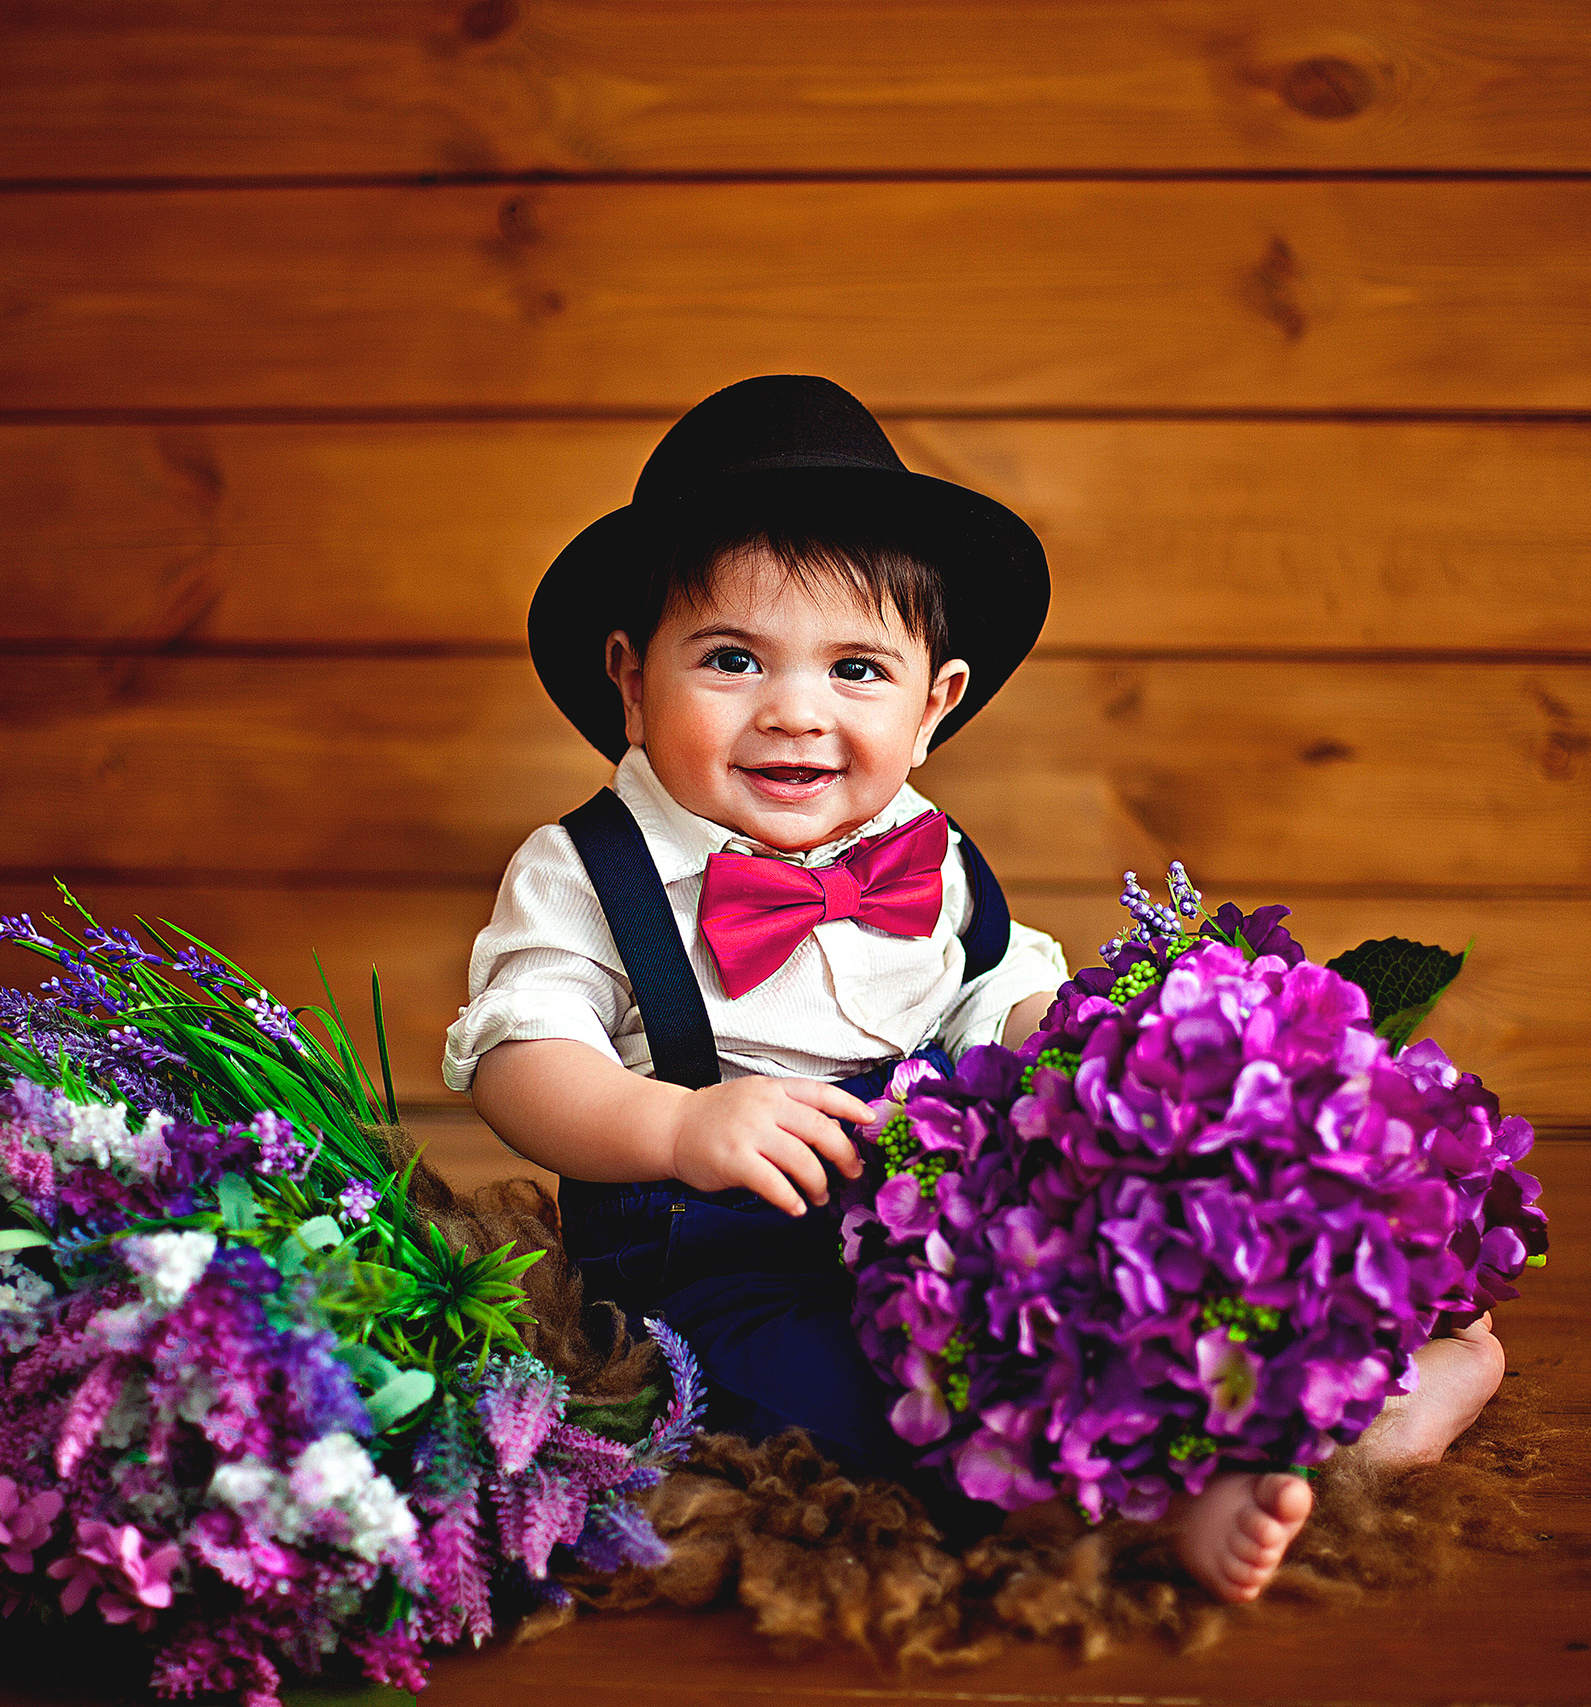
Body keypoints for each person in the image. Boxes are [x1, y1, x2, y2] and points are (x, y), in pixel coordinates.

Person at [443, 375, 1501, 1604]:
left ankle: (1337, 1402)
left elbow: (996, 994)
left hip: (946, 1217)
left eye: (854, 669)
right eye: (731, 659)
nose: (794, 711)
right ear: (631, 680)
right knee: (855, 1403)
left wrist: (1096, 1054)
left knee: (1100, 1302)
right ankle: (1142, 1513)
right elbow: (520, 1060)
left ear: (933, 703)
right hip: (712, 1254)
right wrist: (674, 1125)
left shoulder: (927, 850)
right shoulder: (584, 870)